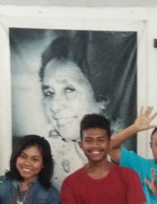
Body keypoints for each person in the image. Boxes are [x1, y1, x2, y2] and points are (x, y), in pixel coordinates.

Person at [35, 30, 136, 188]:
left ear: (102, 98)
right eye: (49, 93)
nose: (54, 106)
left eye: (69, 90)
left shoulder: (126, 153)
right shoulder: (44, 153)